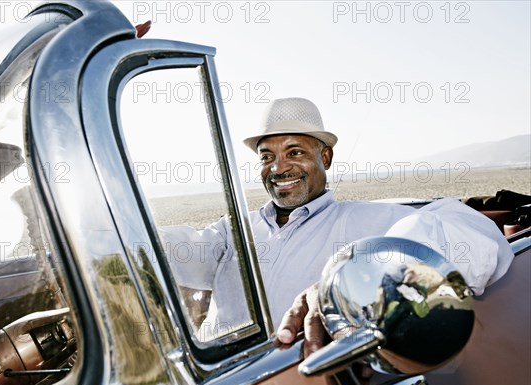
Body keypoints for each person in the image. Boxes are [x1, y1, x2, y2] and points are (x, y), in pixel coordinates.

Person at [162, 97, 513, 343]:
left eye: (295, 152)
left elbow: (473, 231)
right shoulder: (231, 231)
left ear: (325, 157)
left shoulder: (366, 222)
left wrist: (360, 278)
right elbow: (162, 250)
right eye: (267, 156)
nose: (279, 167)